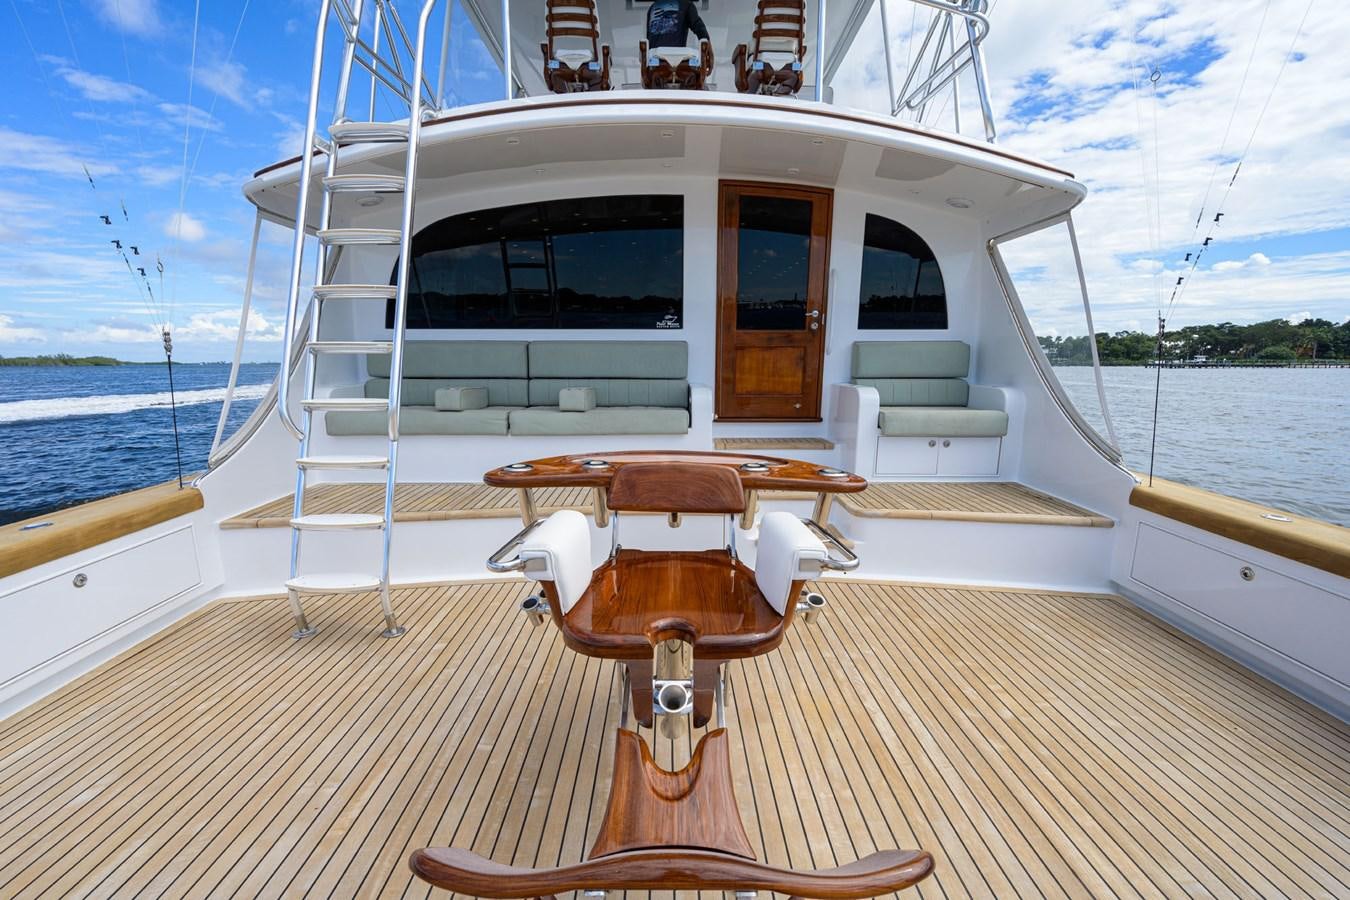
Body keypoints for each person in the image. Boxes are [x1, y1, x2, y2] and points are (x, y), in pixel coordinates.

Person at [645, 0, 710, 48]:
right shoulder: (686, 4)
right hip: (676, 59)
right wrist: (708, 45)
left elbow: (648, 37)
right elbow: (698, 26)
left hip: (653, 59)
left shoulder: (653, 6)